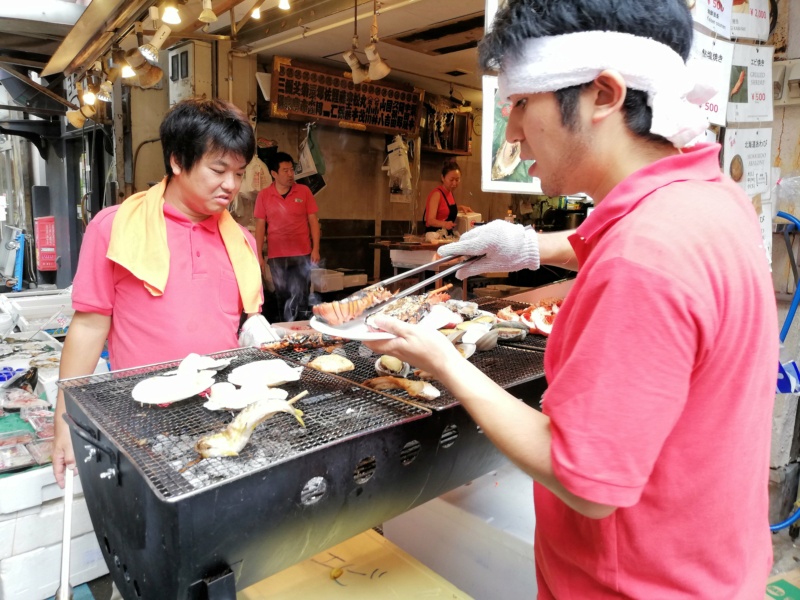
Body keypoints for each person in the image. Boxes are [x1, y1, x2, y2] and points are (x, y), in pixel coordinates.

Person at [366, 0, 778, 597]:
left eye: (521, 104)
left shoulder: (646, 255)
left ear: (604, 94)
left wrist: (445, 361)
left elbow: (585, 482)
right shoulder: (711, 199)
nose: (510, 132)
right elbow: (639, 248)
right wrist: (532, 247)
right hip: (714, 572)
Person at [53, 98, 279, 489]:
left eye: (239, 173)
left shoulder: (241, 241)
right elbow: (89, 329)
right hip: (141, 419)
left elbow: (242, 330)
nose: (231, 185)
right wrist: (64, 423)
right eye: (218, 169)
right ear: (177, 161)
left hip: (222, 412)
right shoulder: (116, 228)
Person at [254, 152, 321, 322]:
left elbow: (313, 221)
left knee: (303, 296)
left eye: (291, 170)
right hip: (277, 257)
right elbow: (260, 226)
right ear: (274, 173)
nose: (290, 174)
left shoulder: (304, 191)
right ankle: (285, 336)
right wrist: (259, 255)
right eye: (285, 170)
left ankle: (303, 333)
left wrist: (316, 249)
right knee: (281, 297)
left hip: (302, 254)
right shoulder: (264, 195)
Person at [422, 159, 472, 232]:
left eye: (457, 180)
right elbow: (430, 220)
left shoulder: (450, 192)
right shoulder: (437, 194)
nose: (454, 183)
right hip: (434, 235)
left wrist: (460, 207)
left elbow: (443, 210)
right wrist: (445, 224)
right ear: (442, 178)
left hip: (445, 235)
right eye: (451, 180)